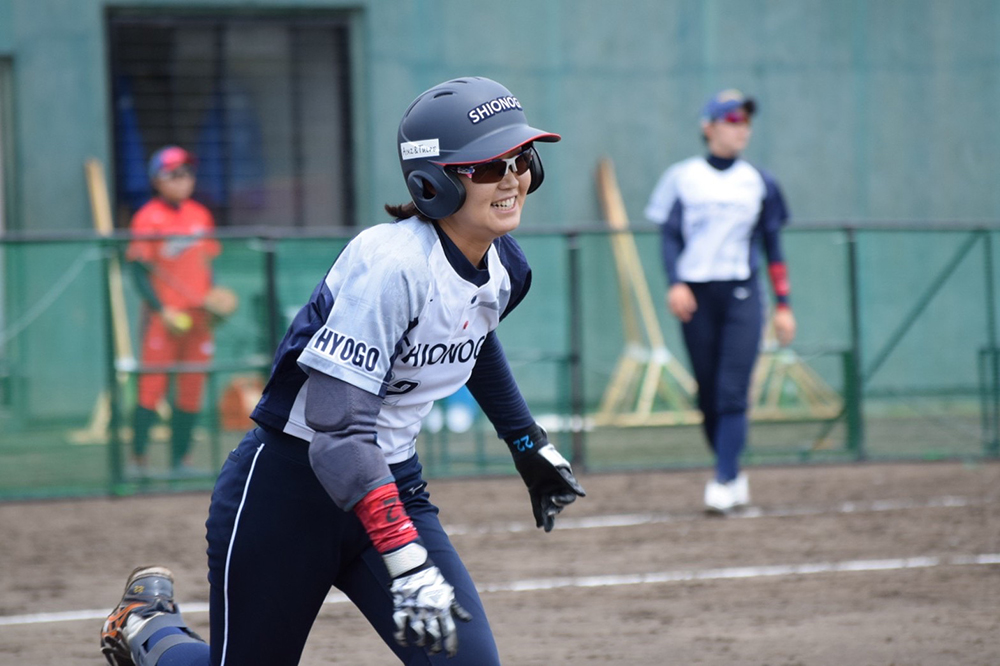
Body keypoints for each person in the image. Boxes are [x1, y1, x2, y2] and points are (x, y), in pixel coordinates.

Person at [100, 76, 586, 666]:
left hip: (391, 485)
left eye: (521, 159)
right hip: (289, 492)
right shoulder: (392, 265)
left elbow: (471, 338)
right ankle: (146, 630)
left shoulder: (506, 266)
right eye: (486, 166)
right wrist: (404, 556)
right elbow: (338, 437)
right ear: (432, 183)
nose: (511, 178)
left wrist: (527, 443)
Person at [644, 89, 796, 514]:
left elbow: (773, 248)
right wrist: (675, 283)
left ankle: (724, 479)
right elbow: (669, 236)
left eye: (746, 121)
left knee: (732, 390)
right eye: (732, 120)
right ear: (707, 127)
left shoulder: (760, 182)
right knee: (709, 394)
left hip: (742, 292)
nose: (742, 128)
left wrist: (784, 304)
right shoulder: (682, 177)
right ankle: (731, 470)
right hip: (696, 295)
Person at [126, 146, 221, 477]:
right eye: (174, 174)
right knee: (150, 389)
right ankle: (137, 461)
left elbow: (207, 263)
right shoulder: (147, 217)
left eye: (187, 173)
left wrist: (215, 298)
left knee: (191, 391)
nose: (183, 180)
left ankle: (181, 460)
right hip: (164, 319)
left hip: (198, 318)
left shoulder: (200, 215)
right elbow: (137, 271)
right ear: (157, 180)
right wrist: (160, 309)